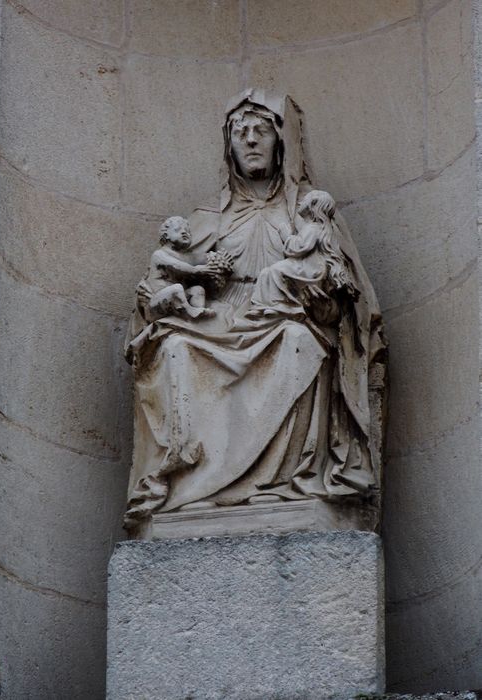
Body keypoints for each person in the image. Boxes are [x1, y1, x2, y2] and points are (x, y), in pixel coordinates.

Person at [123, 89, 386, 530]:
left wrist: (319, 297)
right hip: (217, 318)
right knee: (174, 348)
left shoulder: (309, 212)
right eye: (239, 132)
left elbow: (348, 298)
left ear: (281, 141)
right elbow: (156, 285)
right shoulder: (207, 218)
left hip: (286, 317)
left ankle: (283, 482)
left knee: (301, 342)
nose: (249, 140)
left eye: (260, 130)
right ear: (228, 146)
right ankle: (191, 489)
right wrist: (195, 282)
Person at [249, 189, 358, 325]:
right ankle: (263, 306)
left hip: (309, 268)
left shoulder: (313, 228)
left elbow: (301, 247)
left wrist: (287, 236)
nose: (300, 201)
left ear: (313, 206)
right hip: (308, 266)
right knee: (268, 273)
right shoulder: (316, 228)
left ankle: (277, 305)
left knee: (274, 271)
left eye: (305, 199)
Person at [141, 215, 217, 322]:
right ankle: (190, 312)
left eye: (187, 231)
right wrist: (197, 270)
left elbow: (201, 258)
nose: (184, 232)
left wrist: (216, 260)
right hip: (155, 306)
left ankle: (199, 315)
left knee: (197, 290)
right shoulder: (159, 254)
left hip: (175, 299)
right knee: (177, 288)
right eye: (178, 229)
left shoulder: (186, 256)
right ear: (166, 235)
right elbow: (177, 266)